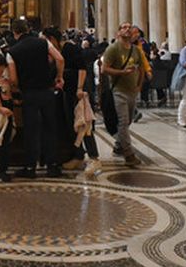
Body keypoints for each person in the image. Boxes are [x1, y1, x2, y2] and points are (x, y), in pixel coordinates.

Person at [7, 17, 65, 178]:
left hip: (29, 93)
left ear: (14, 32)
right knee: (50, 128)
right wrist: (59, 77)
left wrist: (18, 86)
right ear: (28, 29)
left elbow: (13, 79)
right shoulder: (43, 42)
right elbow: (60, 59)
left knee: (31, 130)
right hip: (47, 91)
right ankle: (52, 166)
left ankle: (30, 167)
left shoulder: (12, 52)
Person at [100, 23, 150, 168]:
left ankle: (118, 145)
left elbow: (141, 68)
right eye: (124, 27)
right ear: (118, 32)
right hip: (119, 90)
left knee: (128, 122)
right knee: (123, 121)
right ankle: (129, 154)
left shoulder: (136, 50)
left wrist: (139, 86)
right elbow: (104, 69)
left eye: (129, 27)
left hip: (132, 91)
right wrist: (122, 73)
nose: (127, 29)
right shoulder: (113, 48)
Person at [61, 31, 101, 176]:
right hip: (68, 92)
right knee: (72, 125)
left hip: (78, 93)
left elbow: (82, 68)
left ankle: (94, 157)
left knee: (85, 124)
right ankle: (78, 155)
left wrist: (79, 87)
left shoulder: (70, 49)